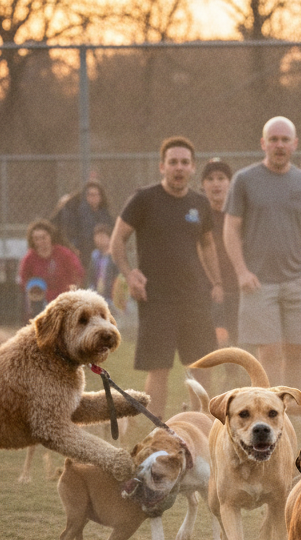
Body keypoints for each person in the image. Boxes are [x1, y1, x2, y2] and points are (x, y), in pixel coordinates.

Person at [111, 136, 224, 416]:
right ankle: (158, 431)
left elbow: (208, 245)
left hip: (194, 297)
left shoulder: (200, 203)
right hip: (155, 298)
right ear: (162, 166)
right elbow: (117, 241)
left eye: (184, 162)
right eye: (172, 162)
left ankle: (202, 425)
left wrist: (217, 282)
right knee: (159, 368)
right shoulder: (144, 199)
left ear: (193, 168)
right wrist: (129, 273)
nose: (178, 167)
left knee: (202, 364)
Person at [223, 116, 301, 396]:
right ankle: (267, 408)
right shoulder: (244, 179)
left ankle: (291, 410)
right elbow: (231, 228)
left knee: (296, 350)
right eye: (273, 139)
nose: (279, 145)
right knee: (268, 350)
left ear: (295, 144)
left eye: (284, 140)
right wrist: (242, 271)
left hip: (299, 280)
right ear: (263, 143)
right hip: (259, 281)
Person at [199, 158, 239, 346]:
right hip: (207, 288)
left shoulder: (238, 212)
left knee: (238, 339)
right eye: (210, 179)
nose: (216, 183)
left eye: (221, 178)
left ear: (230, 183)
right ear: (202, 184)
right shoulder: (197, 214)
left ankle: (233, 375)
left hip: (237, 285)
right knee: (211, 340)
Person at [17, 219, 84, 306]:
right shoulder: (29, 258)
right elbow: (23, 281)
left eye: (44, 237)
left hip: (63, 300)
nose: (41, 242)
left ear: (50, 236)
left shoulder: (64, 254)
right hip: (40, 302)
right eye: (37, 239)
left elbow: (78, 272)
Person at [52, 180, 113, 266]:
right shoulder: (77, 211)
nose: (94, 197)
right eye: (90, 194)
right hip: (81, 251)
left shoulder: (105, 214)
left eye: (97, 194)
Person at [86, 225, 118, 310]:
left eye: (103, 236)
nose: (100, 240)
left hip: (111, 296)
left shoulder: (115, 255)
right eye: (97, 237)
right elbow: (91, 276)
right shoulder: (95, 255)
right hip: (97, 295)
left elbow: (117, 276)